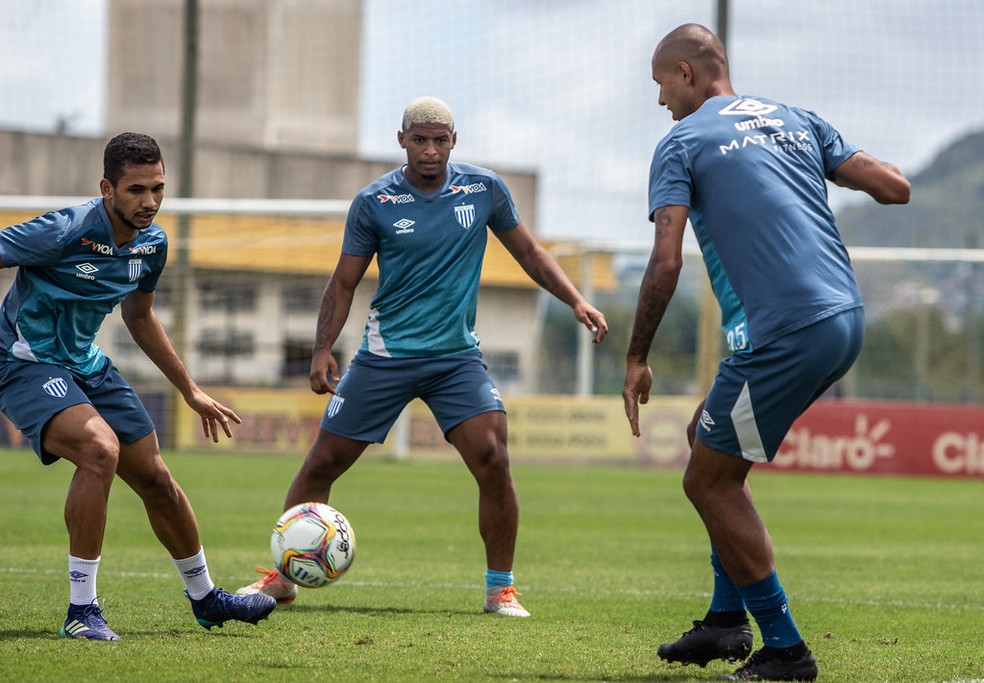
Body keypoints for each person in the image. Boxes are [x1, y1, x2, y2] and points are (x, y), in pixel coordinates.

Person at [237, 96, 608, 616]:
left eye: (440, 140)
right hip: (385, 356)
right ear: (402, 141)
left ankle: (500, 588)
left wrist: (576, 299)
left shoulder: (484, 190)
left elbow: (529, 252)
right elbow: (343, 283)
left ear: (454, 141)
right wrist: (322, 348)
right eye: (420, 140)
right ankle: (282, 577)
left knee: (494, 458)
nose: (430, 150)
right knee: (321, 463)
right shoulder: (374, 202)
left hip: (456, 358)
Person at [622, 24, 910, 682]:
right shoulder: (797, 119)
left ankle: (785, 650)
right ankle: (726, 619)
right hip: (844, 318)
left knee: (707, 479)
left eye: (661, 83)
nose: (661, 99)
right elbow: (895, 187)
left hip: (783, 332)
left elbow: (665, 263)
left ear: (687, 74)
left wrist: (636, 354)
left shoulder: (682, 143)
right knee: (707, 437)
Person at [0, 132, 277, 640]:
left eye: (158, 188)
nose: (149, 201)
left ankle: (206, 597)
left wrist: (189, 389)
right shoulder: (63, 230)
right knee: (99, 449)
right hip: (24, 362)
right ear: (107, 188)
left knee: (154, 477)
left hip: (86, 363)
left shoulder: (153, 245)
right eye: (135, 190)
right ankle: (81, 611)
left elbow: (141, 316)